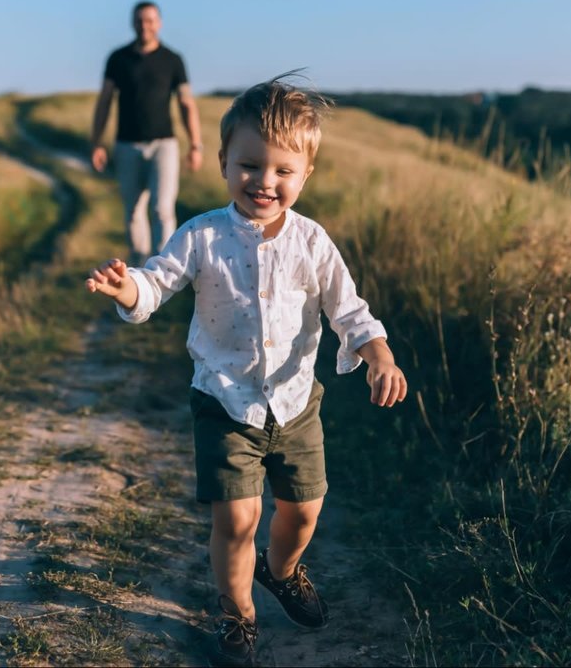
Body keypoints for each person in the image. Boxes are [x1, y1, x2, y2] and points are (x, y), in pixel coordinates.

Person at [85, 76, 408, 667]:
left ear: (305, 174)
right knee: (237, 519)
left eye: (283, 171)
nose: (265, 181)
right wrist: (127, 287)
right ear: (224, 164)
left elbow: (348, 310)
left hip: (295, 403)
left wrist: (378, 356)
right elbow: (156, 283)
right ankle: (238, 619)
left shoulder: (313, 242)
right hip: (224, 402)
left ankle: (282, 572)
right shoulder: (202, 235)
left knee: (303, 510)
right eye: (250, 165)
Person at [91, 0, 203, 265]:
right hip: (126, 145)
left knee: (162, 209)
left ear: (159, 23)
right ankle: (139, 267)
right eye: (140, 20)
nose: (145, 26)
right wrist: (96, 142)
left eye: (150, 20)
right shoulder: (118, 59)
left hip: (164, 145)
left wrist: (195, 145)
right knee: (133, 211)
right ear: (133, 23)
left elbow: (186, 103)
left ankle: (163, 269)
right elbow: (105, 100)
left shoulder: (173, 60)